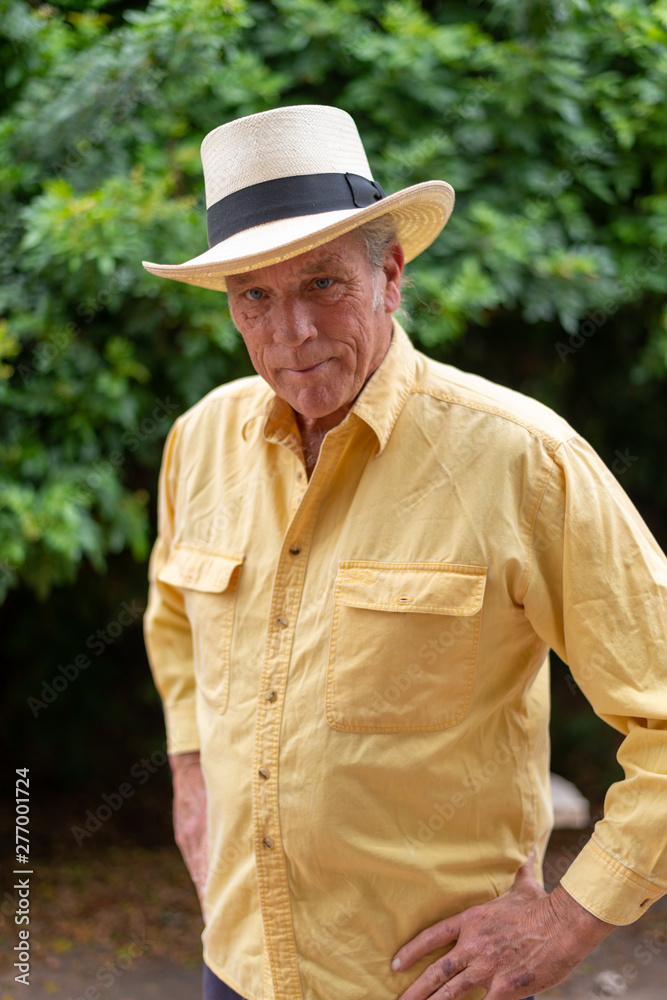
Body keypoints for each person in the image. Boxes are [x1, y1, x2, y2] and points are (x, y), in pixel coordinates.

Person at [142, 105, 667, 1000]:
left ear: (388, 273)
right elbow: (174, 627)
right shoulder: (198, 442)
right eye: (255, 297)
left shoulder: (522, 459)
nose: (291, 333)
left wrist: (568, 920)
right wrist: (190, 775)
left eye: (322, 285)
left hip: (433, 985)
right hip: (235, 966)